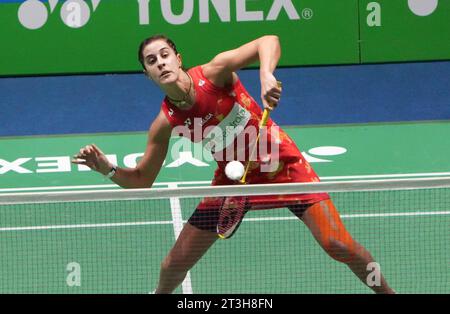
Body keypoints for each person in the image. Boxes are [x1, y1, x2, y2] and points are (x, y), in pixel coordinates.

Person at [72, 35, 394, 294]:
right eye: (151, 61)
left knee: (337, 243)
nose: (160, 62)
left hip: (280, 163)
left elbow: (267, 41)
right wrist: (107, 169)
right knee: (173, 265)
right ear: (147, 73)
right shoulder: (165, 122)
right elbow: (142, 179)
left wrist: (266, 74)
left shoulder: (215, 72)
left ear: (178, 58)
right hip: (233, 181)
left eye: (165, 54)